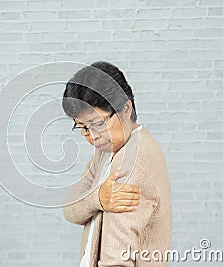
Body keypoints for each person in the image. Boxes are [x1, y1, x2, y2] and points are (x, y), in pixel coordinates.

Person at [62, 61, 172, 267]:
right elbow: (70, 207)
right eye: (83, 127)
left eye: (98, 124)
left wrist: (96, 199)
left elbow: (117, 262)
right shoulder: (106, 152)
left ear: (126, 108)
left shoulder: (132, 163)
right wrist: (97, 199)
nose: (93, 137)